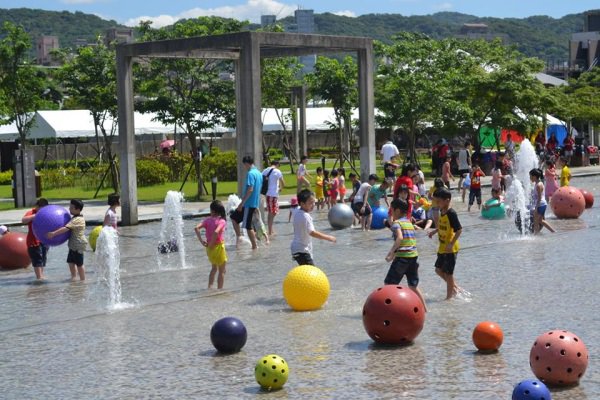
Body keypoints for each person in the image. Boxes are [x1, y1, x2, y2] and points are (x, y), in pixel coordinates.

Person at [384, 198, 427, 312]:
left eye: (392, 210)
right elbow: (408, 241)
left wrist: (391, 253)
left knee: (389, 284)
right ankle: (425, 309)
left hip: (402, 258)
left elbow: (400, 238)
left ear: (397, 211)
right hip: (413, 256)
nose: (391, 213)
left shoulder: (396, 223)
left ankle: (390, 310)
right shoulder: (409, 222)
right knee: (413, 286)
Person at [428, 188, 462, 300]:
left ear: (447, 201)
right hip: (442, 247)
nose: (437, 204)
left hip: (450, 249)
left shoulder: (451, 213)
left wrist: (451, 244)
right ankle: (454, 287)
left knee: (448, 273)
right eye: (436, 201)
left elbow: (459, 230)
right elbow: (443, 226)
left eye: (439, 201)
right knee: (438, 270)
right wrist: (435, 231)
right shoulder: (441, 211)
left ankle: (449, 298)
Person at [290, 189, 336, 265]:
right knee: (311, 273)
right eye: (310, 203)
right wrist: (328, 237)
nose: (313, 204)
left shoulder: (298, 212)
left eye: (314, 202)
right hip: (302, 250)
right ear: (302, 204)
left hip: (296, 249)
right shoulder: (306, 216)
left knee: (305, 274)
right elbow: (312, 232)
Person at [48, 199, 88, 281]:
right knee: (71, 262)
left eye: (72, 208)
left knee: (79, 264)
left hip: (78, 244)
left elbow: (65, 229)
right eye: (69, 207)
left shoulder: (77, 219)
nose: (69, 209)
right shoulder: (75, 217)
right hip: (73, 245)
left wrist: (54, 233)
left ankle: (83, 280)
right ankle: (73, 278)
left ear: (78, 209)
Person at [195, 200, 228, 289]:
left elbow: (196, 228)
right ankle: (219, 290)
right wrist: (213, 243)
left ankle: (210, 288)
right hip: (218, 248)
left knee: (214, 269)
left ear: (212, 210)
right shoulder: (222, 221)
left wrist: (202, 241)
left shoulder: (207, 220)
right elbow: (216, 232)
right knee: (222, 271)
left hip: (209, 249)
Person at [236, 155, 266, 250]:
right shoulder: (259, 173)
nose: (244, 167)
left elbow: (250, 189)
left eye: (244, 165)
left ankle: (254, 246)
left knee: (248, 226)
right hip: (254, 203)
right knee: (234, 218)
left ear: (246, 164)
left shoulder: (250, 174)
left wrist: (242, 203)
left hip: (249, 203)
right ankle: (240, 237)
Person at [21, 198, 49, 281]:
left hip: (44, 240)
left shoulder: (46, 213)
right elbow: (23, 220)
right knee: (37, 259)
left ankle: (41, 276)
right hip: (33, 241)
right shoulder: (31, 212)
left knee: (43, 259)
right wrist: (34, 216)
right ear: (37, 206)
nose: (42, 211)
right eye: (41, 208)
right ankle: (39, 277)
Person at [262, 160, 285, 236]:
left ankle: (270, 229)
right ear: (277, 164)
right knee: (272, 212)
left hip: (268, 194)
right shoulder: (277, 171)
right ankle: (269, 231)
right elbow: (283, 183)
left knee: (273, 212)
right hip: (273, 194)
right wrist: (281, 188)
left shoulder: (265, 170)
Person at [529, 168, 555, 234]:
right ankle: (553, 231)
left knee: (536, 221)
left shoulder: (538, 185)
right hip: (542, 204)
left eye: (531, 176)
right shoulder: (538, 183)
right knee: (540, 220)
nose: (530, 178)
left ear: (534, 176)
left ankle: (536, 235)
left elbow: (539, 198)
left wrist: (536, 208)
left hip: (540, 205)